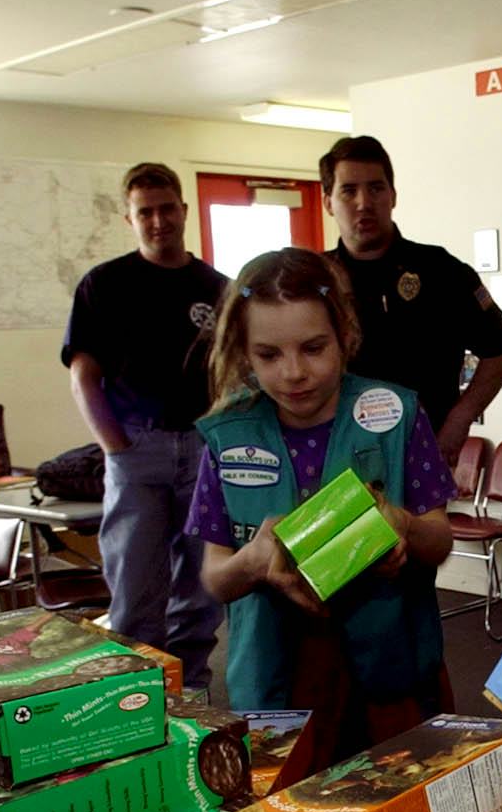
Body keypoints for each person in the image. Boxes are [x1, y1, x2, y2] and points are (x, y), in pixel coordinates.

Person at [189, 248, 455, 758]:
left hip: (390, 669)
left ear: (345, 335)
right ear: (245, 352)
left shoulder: (396, 414)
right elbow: (215, 577)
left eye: (314, 348)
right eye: (268, 355)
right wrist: (256, 560)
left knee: (399, 801)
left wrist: (401, 524)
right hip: (277, 679)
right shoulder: (226, 435)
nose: (294, 372)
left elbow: (439, 539)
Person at [63, 162, 227, 695]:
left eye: (166, 209)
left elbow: (235, 372)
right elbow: (84, 375)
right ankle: (135, 698)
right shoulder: (105, 285)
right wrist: (116, 446)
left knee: (200, 591)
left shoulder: (216, 287)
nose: (158, 221)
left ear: (183, 210)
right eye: (145, 212)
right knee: (135, 590)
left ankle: (193, 691)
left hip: (203, 449)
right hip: (138, 448)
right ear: (130, 218)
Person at [322, 136, 502, 466]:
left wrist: (460, 420)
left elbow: (501, 351)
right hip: (336, 453)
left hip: (422, 452)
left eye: (376, 188)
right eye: (348, 190)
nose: (363, 202)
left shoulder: (442, 271)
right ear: (328, 201)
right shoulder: (315, 281)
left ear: (393, 195)